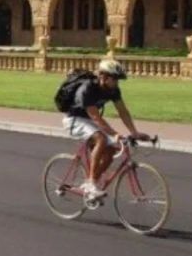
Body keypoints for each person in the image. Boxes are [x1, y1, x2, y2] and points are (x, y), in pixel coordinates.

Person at [60, 59, 149, 201]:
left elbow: (123, 111)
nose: (117, 83)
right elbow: (95, 117)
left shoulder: (113, 90)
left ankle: (91, 181)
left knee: (111, 149)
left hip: (88, 121)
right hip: (74, 120)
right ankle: (91, 185)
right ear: (103, 76)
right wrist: (115, 134)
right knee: (101, 138)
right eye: (114, 79)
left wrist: (134, 132)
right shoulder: (87, 88)